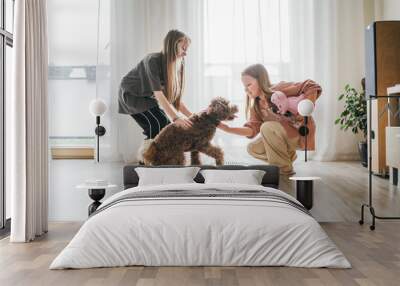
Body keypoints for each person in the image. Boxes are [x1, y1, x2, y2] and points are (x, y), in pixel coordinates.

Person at [218, 64, 322, 175]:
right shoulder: (256, 106)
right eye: (244, 87)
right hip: (283, 137)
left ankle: (284, 169)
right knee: (253, 148)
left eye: (249, 85)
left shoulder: (279, 89)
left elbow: (311, 85)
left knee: (267, 127)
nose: (246, 90)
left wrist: (307, 105)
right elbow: (252, 129)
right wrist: (228, 128)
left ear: (260, 81)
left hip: (299, 132)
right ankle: (286, 157)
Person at [118, 29, 193, 161]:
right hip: (132, 95)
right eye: (183, 48)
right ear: (172, 45)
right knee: (160, 124)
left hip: (148, 97)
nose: (185, 53)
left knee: (161, 126)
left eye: (187, 49)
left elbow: (175, 99)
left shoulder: (179, 65)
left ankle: (152, 159)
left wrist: (192, 117)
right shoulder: (152, 60)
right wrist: (176, 119)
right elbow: (159, 94)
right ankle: (148, 160)